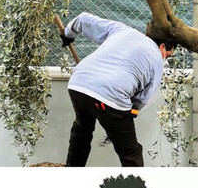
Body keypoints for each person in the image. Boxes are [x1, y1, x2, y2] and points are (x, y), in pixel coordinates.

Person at [61, 12, 178, 167]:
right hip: (111, 95)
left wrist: (68, 34)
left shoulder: (122, 30)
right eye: (168, 55)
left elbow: (84, 19)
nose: (165, 58)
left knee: (82, 130)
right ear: (162, 46)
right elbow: (142, 97)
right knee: (130, 151)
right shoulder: (157, 59)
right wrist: (131, 111)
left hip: (79, 83)